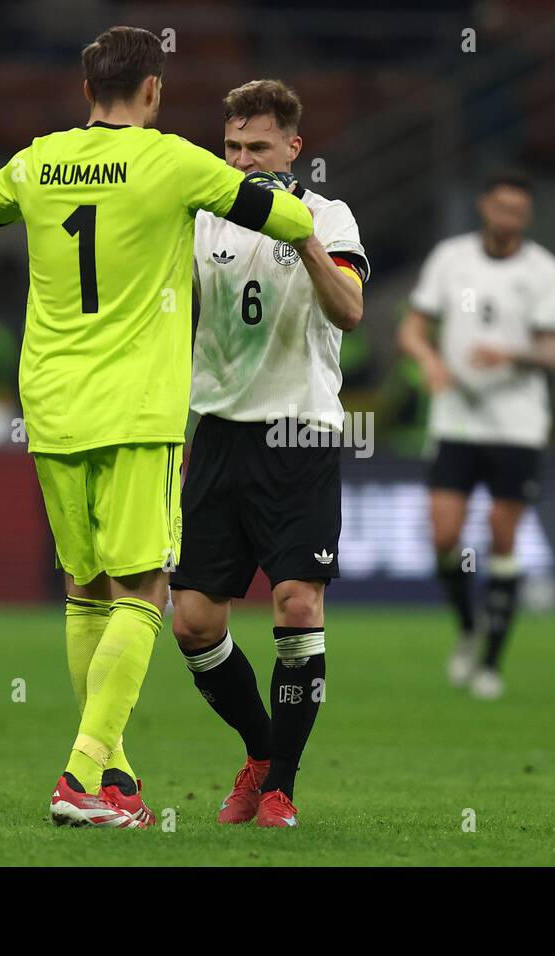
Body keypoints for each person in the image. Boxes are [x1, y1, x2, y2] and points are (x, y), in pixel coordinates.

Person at [0, 28, 313, 828]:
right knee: (146, 588)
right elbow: (281, 217)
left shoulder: (35, 159)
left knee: (86, 587)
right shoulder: (174, 161)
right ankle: (81, 776)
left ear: (87, 89)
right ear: (152, 91)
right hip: (135, 408)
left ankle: (115, 780)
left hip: (50, 404)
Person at [170, 79, 367, 828]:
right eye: (232, 147)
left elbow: (349, 310)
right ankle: (260, 748)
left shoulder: (327, 215)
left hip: (298, 432)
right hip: (218, 432)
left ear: (294, 148)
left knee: (296, 602)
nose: (244, 161)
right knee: (192, 620)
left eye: (258, 146)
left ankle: (280, 786)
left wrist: (302, 239)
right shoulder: (200, 220)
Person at [398, 171, 555, 700]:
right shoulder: (452, 258)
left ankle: (491, 662)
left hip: (517, 421)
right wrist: (429, 361)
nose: (507, 218)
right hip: (457, 418)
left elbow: (552, 353)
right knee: (444, 535)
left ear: (527, 216)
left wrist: (509, 355)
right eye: (501, 207)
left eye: (517, 211)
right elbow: (412, 327)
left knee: (501, 532)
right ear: (483, 207)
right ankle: (468, 626)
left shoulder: (544, 270)